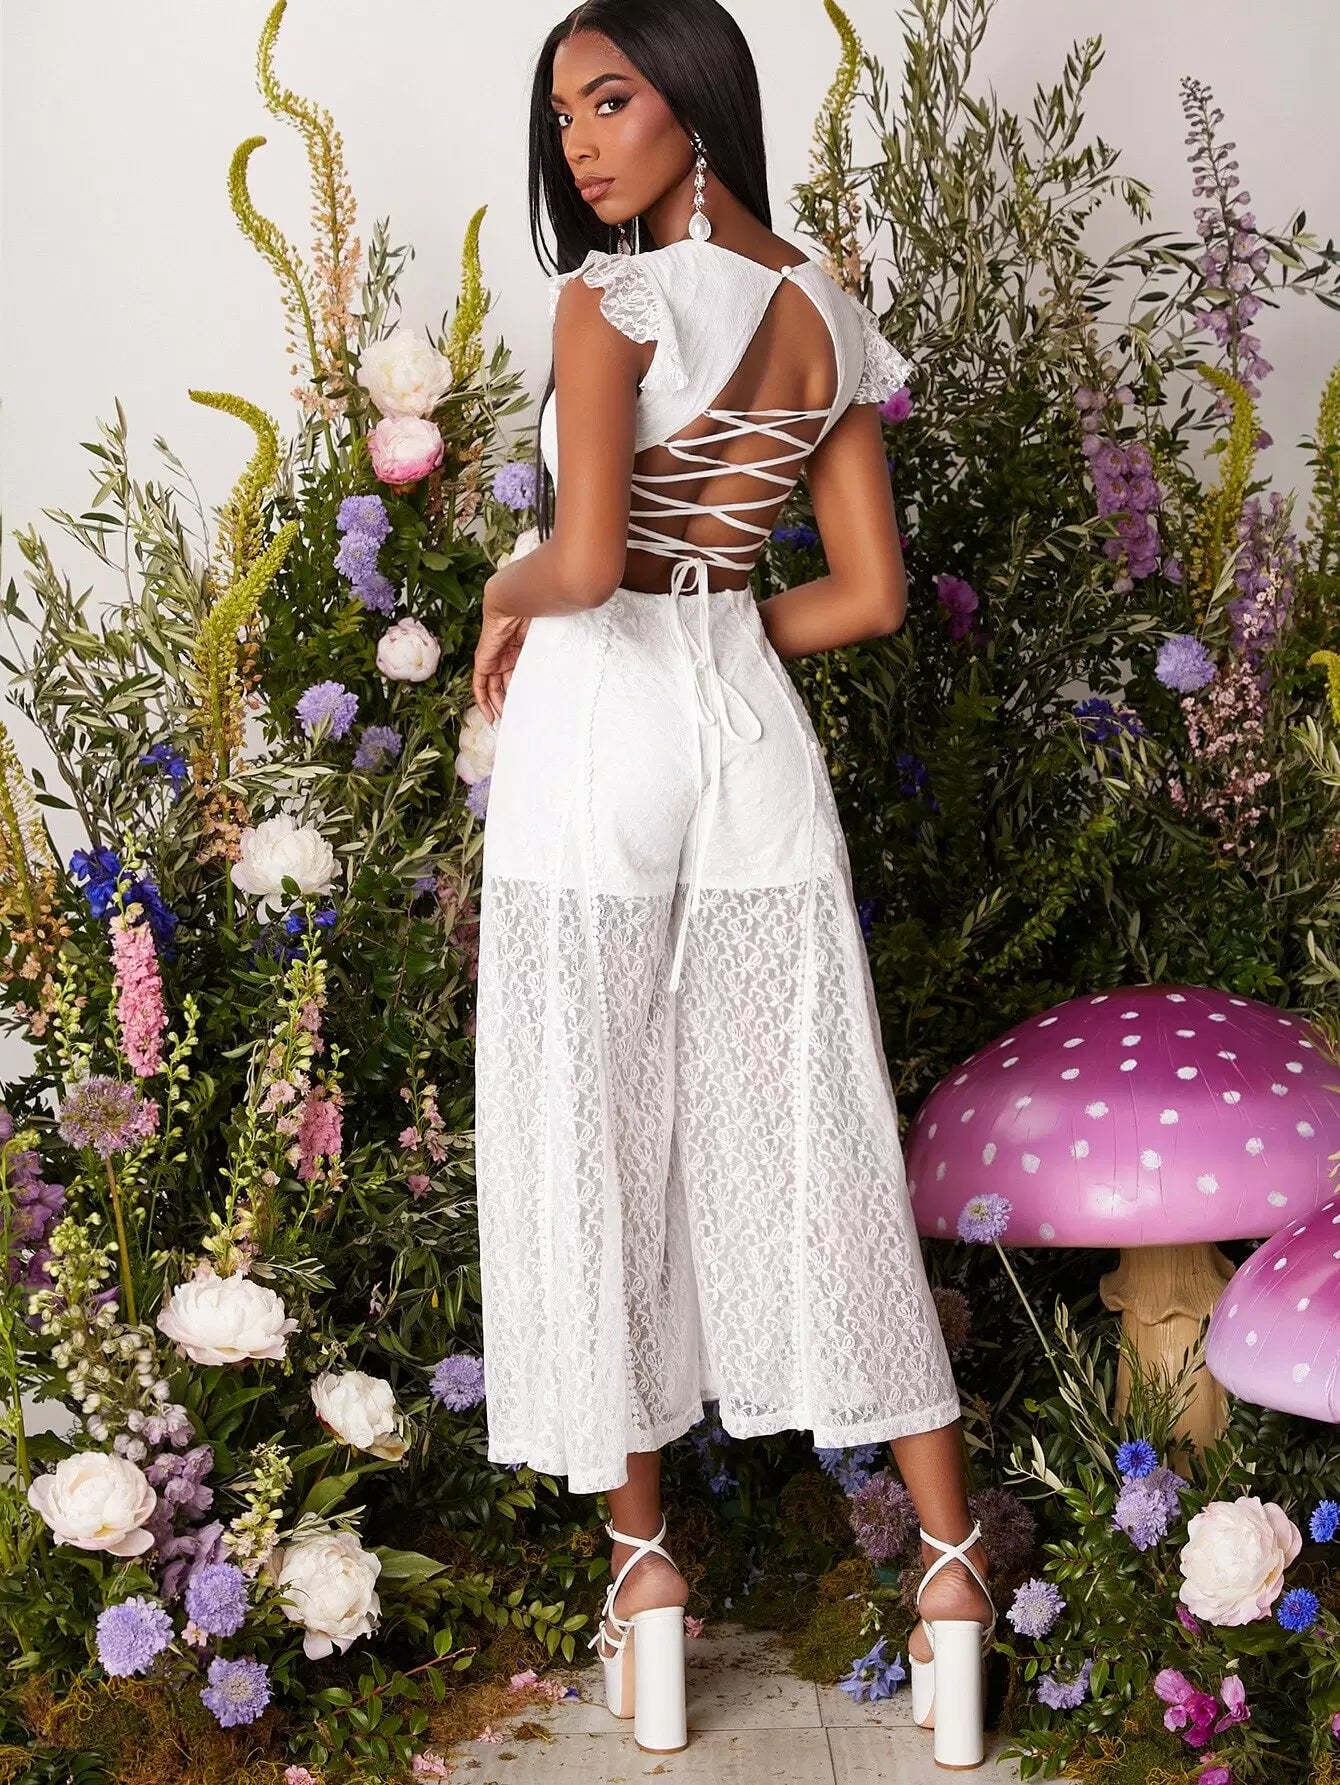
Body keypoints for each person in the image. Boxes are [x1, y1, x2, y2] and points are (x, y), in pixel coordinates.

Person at [470, 0, 996, 1766]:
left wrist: (496, 595)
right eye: (563, 114)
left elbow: (587, 561)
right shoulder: (826, 307)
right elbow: (868, 594)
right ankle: (951, 1571)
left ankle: (645, 1575)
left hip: (602, 727)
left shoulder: (608, 302)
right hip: (749, 731)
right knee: (815, 1114)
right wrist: (725, 634)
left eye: (609, 100)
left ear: (693, 101)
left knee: (591, 1121)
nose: (580, 144)